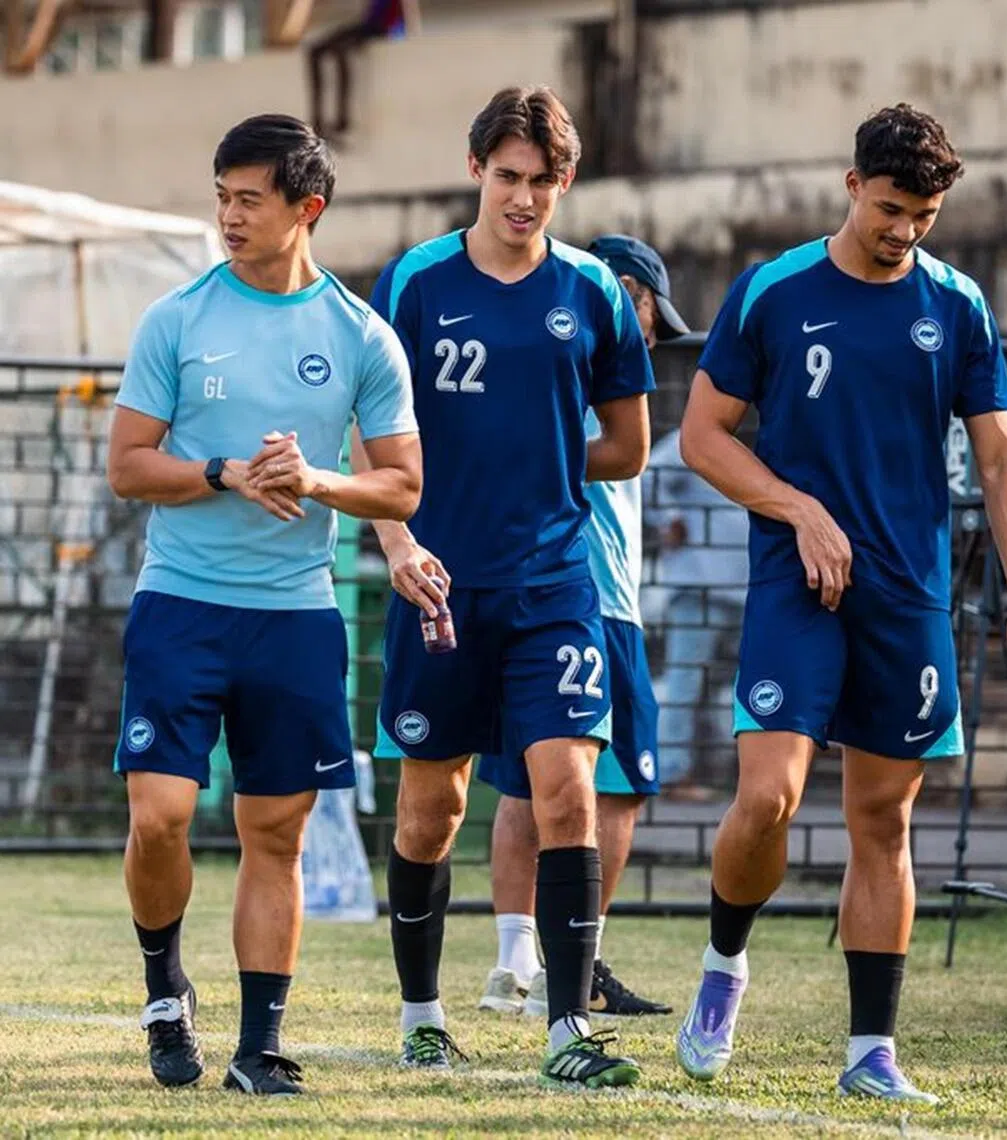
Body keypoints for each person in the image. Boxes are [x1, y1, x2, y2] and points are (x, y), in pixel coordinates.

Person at [673, 103, 1007, 1102]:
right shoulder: (774, 291)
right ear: (852, 186)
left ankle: (869, 1052)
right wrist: (797, 507)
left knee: (884, 822)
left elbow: (1004, 456)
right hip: (795, 584)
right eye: (891, 209)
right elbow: (703, 436)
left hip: (910, 591)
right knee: (771, 798)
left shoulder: (957, 305)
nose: (905, 230)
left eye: (924, 215)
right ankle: (723, 966)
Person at [106, 113, 420, 1096]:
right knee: (158, 815)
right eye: (222, 197)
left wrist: (319, 482)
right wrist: (224, 472)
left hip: (295, 616)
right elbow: (127, 466)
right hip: (182, 607)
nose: (228, 216)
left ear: (305, 209)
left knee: (275, 832)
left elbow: (403, 488)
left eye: (249, 200)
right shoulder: (177, 318)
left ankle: (258, 1048)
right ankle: (166, 991)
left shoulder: (362, 335)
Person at [366, 87, 654, 1087]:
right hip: (440, 585)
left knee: (567, 787)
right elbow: (366, 431)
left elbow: (627, 443)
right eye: (508, 177)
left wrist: (545, 462)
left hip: (554, 583)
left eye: (543, 181)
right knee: (429, 811)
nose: (524, 198)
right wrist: (397, 542)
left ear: (565, 183)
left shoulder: (594, 292)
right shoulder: (414, 279)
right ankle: (421, 1014)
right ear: (476, 169)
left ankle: (568, 1027)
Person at [474, 234, 689, 1020]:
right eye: (650, 312)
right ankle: (573, 964)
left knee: (528, 785)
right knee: (617, 788)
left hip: (537, 588)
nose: (656, 333)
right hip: (589, 596)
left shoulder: (552, 351)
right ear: (621, 290)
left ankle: (518, 965)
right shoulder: (581, 350)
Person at [643, 427, 749, 800]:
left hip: (748, 584)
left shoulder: (766, 434)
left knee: (746, 686)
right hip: (699, 581)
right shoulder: (690, 436)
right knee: (684, 681)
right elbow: (648, 474)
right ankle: (673, 774)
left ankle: (749, 774)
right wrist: (667, 519)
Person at [307, 0, 421, 140]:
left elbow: (408, 13)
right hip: (370, 25)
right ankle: (319, 117)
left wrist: (409, 33)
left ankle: (343, 118)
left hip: (386, 28)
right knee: (316, 51)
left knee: (340, 52)